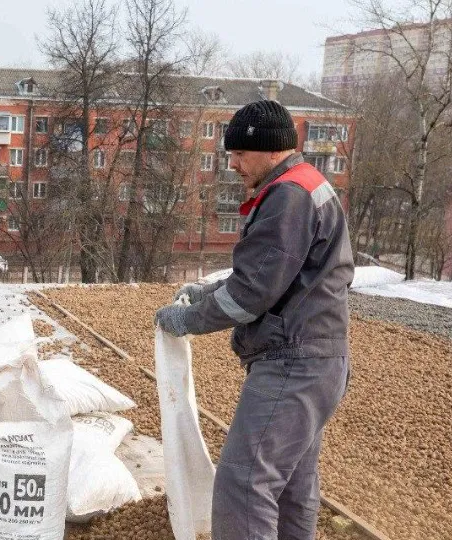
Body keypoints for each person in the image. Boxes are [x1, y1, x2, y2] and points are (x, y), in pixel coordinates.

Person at [155, 100, 354, 540]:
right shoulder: (306, 183)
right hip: (321, 358)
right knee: (291, 487)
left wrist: (187, 319)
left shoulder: (288, 196)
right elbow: (272, 273)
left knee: (244, 483)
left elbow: (251, 295)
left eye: (240, 154)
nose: (233, 164)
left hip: (293, 362)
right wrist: (208, 292)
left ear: (270, 149)